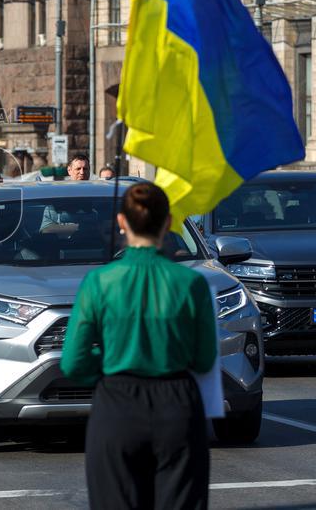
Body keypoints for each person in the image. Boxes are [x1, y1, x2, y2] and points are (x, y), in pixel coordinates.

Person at [61, 183, 217, 510]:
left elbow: (73, 363)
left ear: (122, 221)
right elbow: (204, 359)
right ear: (168, 221)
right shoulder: (192, 283)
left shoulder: (99, 282)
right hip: (177, 405)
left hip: (117, 404)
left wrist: (107, 360)